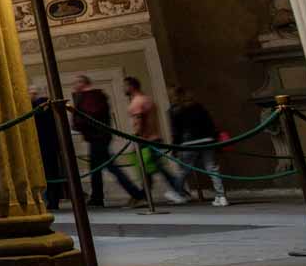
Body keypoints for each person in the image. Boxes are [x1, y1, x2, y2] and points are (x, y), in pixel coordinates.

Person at [70, 75, 146, 208]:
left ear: (83, 83)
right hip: (97, 136)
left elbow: (89, 115)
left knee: (110, 167)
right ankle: (97, 197)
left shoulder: (90, 96)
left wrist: (77, 121)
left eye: (77, 82)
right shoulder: (91, 96)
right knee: (95, 169)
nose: (75, 85)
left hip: (98, 137)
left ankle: (137, 195)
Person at [126, 76, 191, 205]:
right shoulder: (148, 100)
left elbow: (139, 119)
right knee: (153, 168)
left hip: (145, 139)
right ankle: (144, 195)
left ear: (131, 86)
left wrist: (137, 135)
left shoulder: (137, 102)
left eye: (126, 86)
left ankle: (177, 191)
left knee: (153, 168)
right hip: (155, 137)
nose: (124, 88)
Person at [168, 85, 229, 207]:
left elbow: (176, 132)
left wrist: (175, 148)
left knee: (183, 170)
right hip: (207, 140)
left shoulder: (175, 110)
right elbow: (210, 124)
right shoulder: (198, 106)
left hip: (188, 143)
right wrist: (215, 139)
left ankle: (176, 192)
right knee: (212, 168)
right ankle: (221, 196)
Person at [31, 87, 65, 212]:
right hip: (50, 145)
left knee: (48, 173)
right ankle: (52, 200)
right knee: (51, 173)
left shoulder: (37, 107)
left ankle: (51, 201)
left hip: (43, 145)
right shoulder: (47, 108)